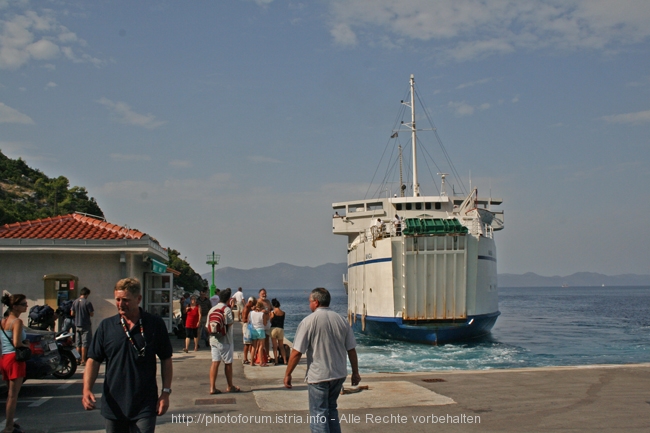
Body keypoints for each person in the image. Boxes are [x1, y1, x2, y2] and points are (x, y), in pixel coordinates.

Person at [82, 278, 173, 433]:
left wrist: (166, 393)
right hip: (114, 405)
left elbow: (166, 359)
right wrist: (87, 389)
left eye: (126, 300)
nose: (121, 304)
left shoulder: (154, 324)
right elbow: (93, 360)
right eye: (117, 299)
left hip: (145, 403)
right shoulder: (107, 326)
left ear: (138, 299)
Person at [284, 288, 361, 433]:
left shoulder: (308, 322)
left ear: (316, 302)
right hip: (338, 374)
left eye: (310, 302)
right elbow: (351, 349)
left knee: (318, 414)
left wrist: (288, 373)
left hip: (319, 376)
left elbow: (297, 352)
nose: (309, 305)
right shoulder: (341, 320)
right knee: (332, 410)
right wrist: (355, 372)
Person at [1, 293, 29, 433]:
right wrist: (26, 345)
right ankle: (9, 426)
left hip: (5, 357)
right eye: (23, 304)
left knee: (10, 394)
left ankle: (10, 423)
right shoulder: (17, 322)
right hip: (15, 359)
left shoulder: (3, 321)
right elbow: (17, 343)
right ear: (15, 306)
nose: (26, 306)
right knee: (13, 395)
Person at [208, 289, 240, 394]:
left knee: (215, 363)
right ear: (229, 299)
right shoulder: (227, 310)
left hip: (213, 340)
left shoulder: (212, 309)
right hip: (226, 340)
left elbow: (207, 325)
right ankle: (230, 386)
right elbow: (230, 324)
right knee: (228, 363)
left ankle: (212, 388)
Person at [71, 287, 94, 365]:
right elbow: (91, 314)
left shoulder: (75, 302)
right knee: (85, 343)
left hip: (77, 325)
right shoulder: (87, 303)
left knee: (78, 343)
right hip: (85, 325)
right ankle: (83, 360)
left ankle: (77, 359)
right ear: (87, 294)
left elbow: (72, 313)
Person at [249, 301, 269, 367]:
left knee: (253, 347)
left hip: (253, 330)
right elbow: (265, 323)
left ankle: (252, 362)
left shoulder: (251, 313)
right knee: (261, 347)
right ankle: (261, 362)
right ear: (261, 307)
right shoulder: (262, 314)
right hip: (260, 330)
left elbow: (249, 321)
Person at [269, 298, 287, 365]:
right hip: (281, 329)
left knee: (275, 346)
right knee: (281, 346)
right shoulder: (283, 313)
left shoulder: (272, 312)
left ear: (273, 305)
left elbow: (270, 320)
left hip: (273, 329)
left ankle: (276, 361)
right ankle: (285, 360)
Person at [257, 288, 272, 356]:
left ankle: (267, 354)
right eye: (263, 294)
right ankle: (257, 355)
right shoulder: (258, 301)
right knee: (259, 340)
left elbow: (271, 309)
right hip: (260, 323)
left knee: (267, 339)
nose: (264, 295)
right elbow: (254, 310)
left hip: (267, 322)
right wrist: (261, 311)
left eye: (265, 293)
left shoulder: (268, 302)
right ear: (259, 294)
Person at [241, 297, 255, 364]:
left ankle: (249, 358)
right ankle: (245, 358)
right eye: (252, 303)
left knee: (250, 343)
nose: (253, 305)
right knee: (247, 344)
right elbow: (244, 319)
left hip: (248, 326)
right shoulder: (246, 308)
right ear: (250, 302)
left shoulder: (249, 308)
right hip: (246, 326)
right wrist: (251, 320)